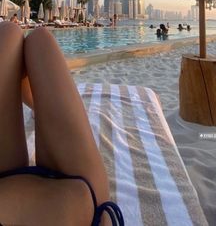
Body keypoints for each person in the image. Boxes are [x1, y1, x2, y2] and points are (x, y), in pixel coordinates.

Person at [0, 22, 124, 226]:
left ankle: (38, 106)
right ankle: (39, 106)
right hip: (79, 199)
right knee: (40, 40)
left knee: (11, 33)